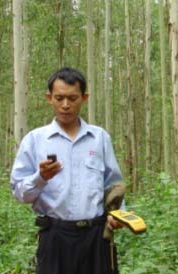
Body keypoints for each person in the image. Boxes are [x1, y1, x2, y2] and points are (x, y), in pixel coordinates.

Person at [10, 67, 124, 274]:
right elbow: (20, 193)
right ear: (49, 98)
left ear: (84, 98)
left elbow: (113, 184)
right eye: (59, 98)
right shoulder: (35, 140)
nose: (65, 105)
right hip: (54, 237)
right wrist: (40, 177)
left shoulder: (99, 138)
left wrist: (117, 214)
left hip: (96, 236)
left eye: (72, 98)